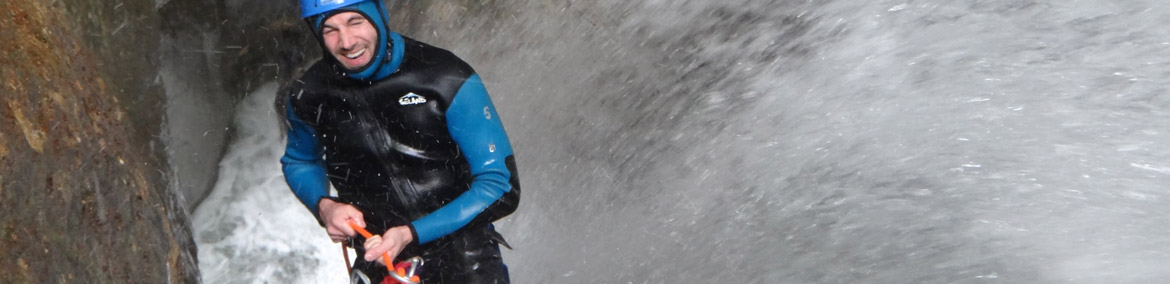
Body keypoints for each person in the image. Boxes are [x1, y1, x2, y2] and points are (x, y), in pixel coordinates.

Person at [279, 0, 520, 282]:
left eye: (355, 22)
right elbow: (300, 161)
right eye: (330, 30)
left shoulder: (442, 76)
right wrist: (325, 206)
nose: (346, 42)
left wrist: (410, 233)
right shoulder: (310, 94)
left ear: (379, 16)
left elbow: (501, 187)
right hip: (380, 257)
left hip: (465, 257)